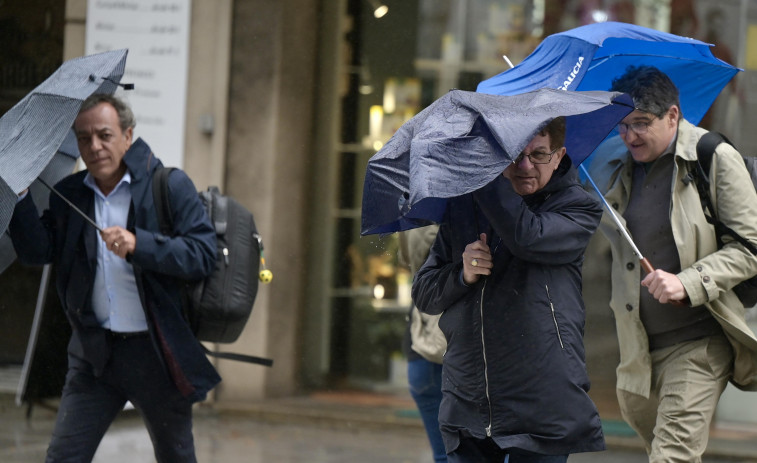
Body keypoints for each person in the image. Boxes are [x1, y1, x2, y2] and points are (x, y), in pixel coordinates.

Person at [9, 93, 220, 463]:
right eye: (84, 138)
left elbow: (203, 256)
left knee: (176, 457)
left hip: (156, 354)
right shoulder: (70, 195)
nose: (94, 146)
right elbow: (37, 251)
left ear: (127, 135)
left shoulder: (168, 186)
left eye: (104, 135)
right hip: (95, 357)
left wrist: (141, 244)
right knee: (63, 457)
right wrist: (20, 195)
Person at [412, 117, 606, 463]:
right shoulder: (465, 207)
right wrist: (462, 274)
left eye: (539, 154)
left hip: (541, 404)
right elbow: (425, 293)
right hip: (469, 400)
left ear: (560, 155)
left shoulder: (578, 207)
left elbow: (526, 236)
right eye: (514, 154)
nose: (525, 166)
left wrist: (482, 177)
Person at [593, 65, 757, 462]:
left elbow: (751, 247)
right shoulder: (619, 166)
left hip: (699, 341)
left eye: (641, 124)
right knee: (666, 453)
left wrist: (689, 281)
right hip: (637, 351)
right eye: (622, 125)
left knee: (672, 457)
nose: (629, 135)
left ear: (672, 115)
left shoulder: (712, 156)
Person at [398, 224, 447, 463]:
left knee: (444, 455)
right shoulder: (460, 214)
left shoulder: (413, 212)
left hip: (419, 347)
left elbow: (404, 259)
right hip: (451, 351)